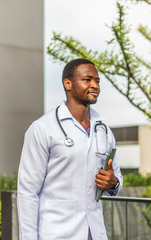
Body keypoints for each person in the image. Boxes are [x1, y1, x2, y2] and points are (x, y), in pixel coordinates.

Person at [17, 58, 123, 240]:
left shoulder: (103, 131)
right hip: (57, 234)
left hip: (94, 233)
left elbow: (117, 180)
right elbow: (27, 192)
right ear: (68, 84)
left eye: (97, 81)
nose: (95, 85)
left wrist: (112, 182)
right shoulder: (43, 128)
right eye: (87, 80)